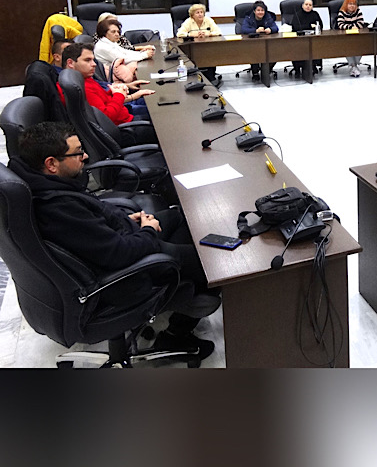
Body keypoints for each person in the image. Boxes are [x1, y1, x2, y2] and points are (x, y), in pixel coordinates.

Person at [8, 122, 219, 361]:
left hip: (118, 243)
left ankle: (186, 286)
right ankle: (175, 333)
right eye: (78, 153)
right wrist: (147, 231)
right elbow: (119, 253)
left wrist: (126, 220)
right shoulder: (58, 208)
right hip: (124, 275)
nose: (85, 156)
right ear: (51, 163)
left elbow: (93, 221)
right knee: (211, 263)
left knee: (179, 217)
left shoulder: (47, 185)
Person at [58, 42, 153, 126]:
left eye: (93, 60)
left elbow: (102, 101)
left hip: (124, 116)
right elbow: (106, 117)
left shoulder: (84, 79)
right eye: (87, 60)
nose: (94, 64)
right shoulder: (81, 87)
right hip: (127, 127)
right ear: (70, 63)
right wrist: (118, 95)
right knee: (157, 114)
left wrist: (115, 91)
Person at [93, 18, 154, 83]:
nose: (117, 34)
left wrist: (142, 53)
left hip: (118, 73)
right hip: (112, 79)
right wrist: (144, 55)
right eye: (113, 32)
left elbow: (125, 52)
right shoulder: (102, 46)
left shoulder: (110, 42)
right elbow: (123, 59)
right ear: (104, 33)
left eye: (118, 32)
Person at [176, 4, 222, 84]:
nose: (200, 14)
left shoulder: (208, 20)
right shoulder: (188, 21)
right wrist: (191, 35)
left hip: (207, 47)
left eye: (201, 12)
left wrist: (208, 34)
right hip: (193, 48)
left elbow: (218, 32)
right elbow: (179, 33)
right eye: (197, 13)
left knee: (210, 55)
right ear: (192, 15)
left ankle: (211, 77)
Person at [240, 0, 278, 82]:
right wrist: (255, 31)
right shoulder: (248, 18)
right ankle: (255, 72)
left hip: (267, 42)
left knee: (275, 51)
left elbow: (276, 27)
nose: (260, 12)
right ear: (254, 11)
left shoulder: (268, 17)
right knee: (254, 52)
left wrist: (271, 29)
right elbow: (243, 29)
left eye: (262, 10)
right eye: (258, 10)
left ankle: (267, 70)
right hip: (253, 43)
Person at [290, 0, 324, 77]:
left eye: (310, 5)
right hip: (299, 40)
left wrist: (315, 27)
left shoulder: (315, 14)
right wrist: (309, 26)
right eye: (306, 4)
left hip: (312, 39)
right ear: (303, 6)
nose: (308, 6)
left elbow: (320, 26)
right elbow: (295, 27)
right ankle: (298, 68)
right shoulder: (297, 14)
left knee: (316, 45)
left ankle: (312, 65)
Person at [335, 0, 367, 77]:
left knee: (363, 44)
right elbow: (340, 25)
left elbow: (361, 23)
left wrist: (352, 26)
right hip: (345, 37)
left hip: (357, 36)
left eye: (354, 4)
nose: (352, 6)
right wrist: (351, 27)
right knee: (347, 45)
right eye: (350, 4)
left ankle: (354, 65)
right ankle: (353, 65)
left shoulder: (358, 11)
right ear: (346, 5)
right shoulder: (342, 12)